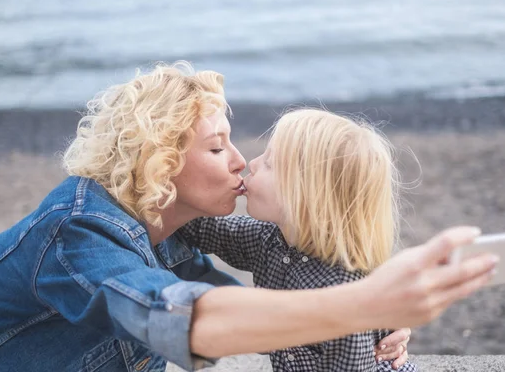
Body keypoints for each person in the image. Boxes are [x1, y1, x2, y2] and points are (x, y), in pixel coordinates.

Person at [0, 62, 498, 372]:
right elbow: (186, 319)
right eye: (218, 149)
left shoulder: (171, 229)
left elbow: (261, 314)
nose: (242, 161)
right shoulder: (79, 235)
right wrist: (364, 303)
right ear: (160, 164)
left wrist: (375, 320)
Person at [178, 108, 416, 371]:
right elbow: (206, 229)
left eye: (269, 163)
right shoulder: (271, 240)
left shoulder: (340, 290)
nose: (251, 164)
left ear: (304, 195)